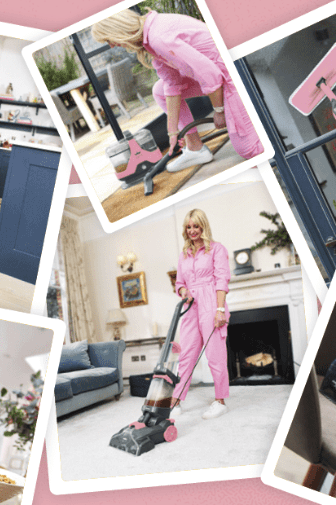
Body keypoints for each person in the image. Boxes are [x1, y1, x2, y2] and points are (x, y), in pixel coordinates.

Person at [91, 9, 264, 172]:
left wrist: (219, 110)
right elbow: (171, 83)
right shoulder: (150, 35)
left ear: (117, 30)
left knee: (249, 151)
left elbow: (209, 74)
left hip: (232, 74)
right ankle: (195, 148)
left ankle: (259, 118)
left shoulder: (159, 37)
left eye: (108, 40)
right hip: (219, 75)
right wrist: (172, 132)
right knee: (160, 90)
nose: (111, 46)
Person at [170, 209, 230, 419]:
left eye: (196, 226)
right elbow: (179, 284)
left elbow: (222, 280)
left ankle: (220, 401)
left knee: (215, 354)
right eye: (188, 227)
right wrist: (184, 291)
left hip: (211, 302)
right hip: (190, 306)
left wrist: (220, 309)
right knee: (186, 354)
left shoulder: (216, 249)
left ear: (203, 226)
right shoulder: (184, 255)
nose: (192, 230)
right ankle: (176, 401)